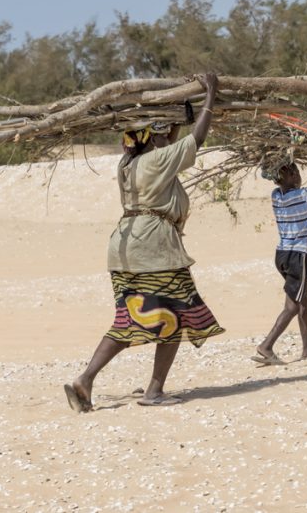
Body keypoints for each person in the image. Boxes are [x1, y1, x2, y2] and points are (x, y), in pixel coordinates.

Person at [64, 73, 224, 412]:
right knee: (174, 316)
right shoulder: (156, 161)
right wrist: (210, 95)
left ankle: (90, 380)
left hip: (126, 249)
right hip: (155, 252)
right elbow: (196, 139)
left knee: (131, 318)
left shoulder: (130, 163)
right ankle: (148, 390)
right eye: (162, 131)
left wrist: (175, 116)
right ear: (155, 137)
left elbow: (174, 141)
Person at [251, 157, 307, 365]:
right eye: (298, 173)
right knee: (292, 306)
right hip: (297, 257)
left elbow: (283, 181)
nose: (300, 177)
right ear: (292, 176)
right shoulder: (303, 195)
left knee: (305, 298)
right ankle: (266, 345)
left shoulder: (275, 195)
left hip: (281, 255)